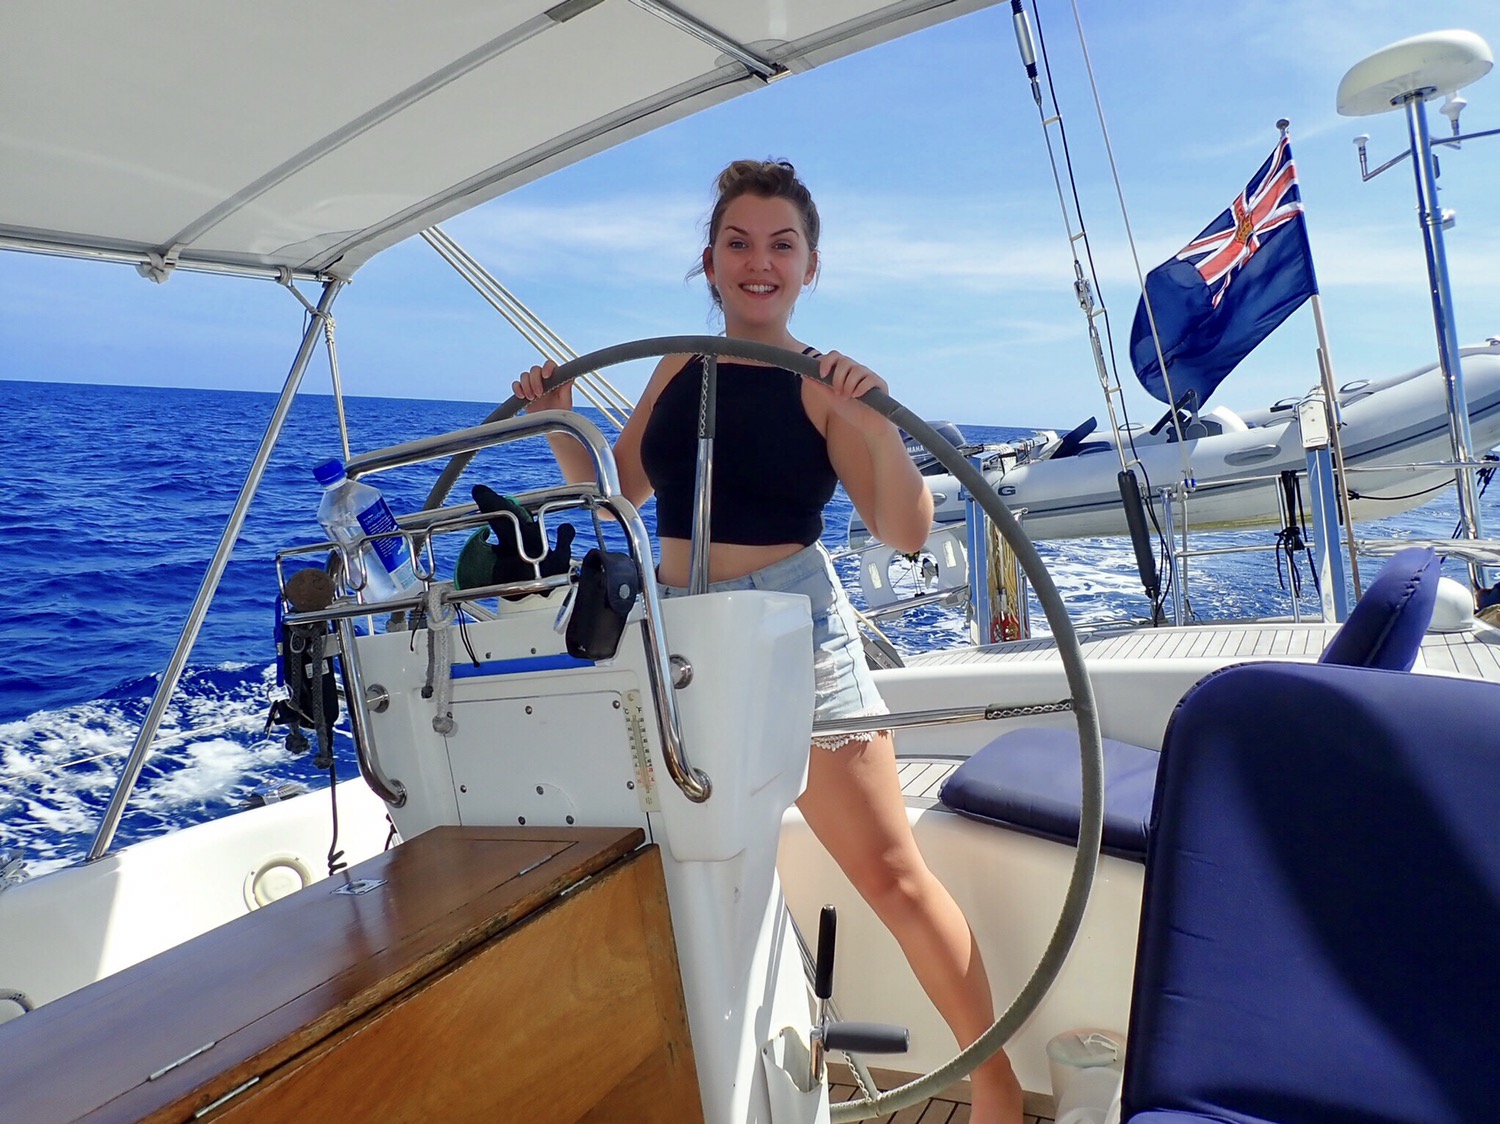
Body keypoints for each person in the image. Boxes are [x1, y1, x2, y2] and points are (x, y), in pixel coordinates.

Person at [513, 158, 1023, 1123]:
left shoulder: (826, 384)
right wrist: (558, 419)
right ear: (709, 261)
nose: (760, 262)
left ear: (810, 265)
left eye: (781, 245)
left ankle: (993, 1085)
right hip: (680, 632)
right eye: (738, 243)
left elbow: (905, 529)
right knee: (689, 865)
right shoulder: (677, 365)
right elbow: (616, 492)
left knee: (892, 875)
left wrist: (874, 422)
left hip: (795, 629)